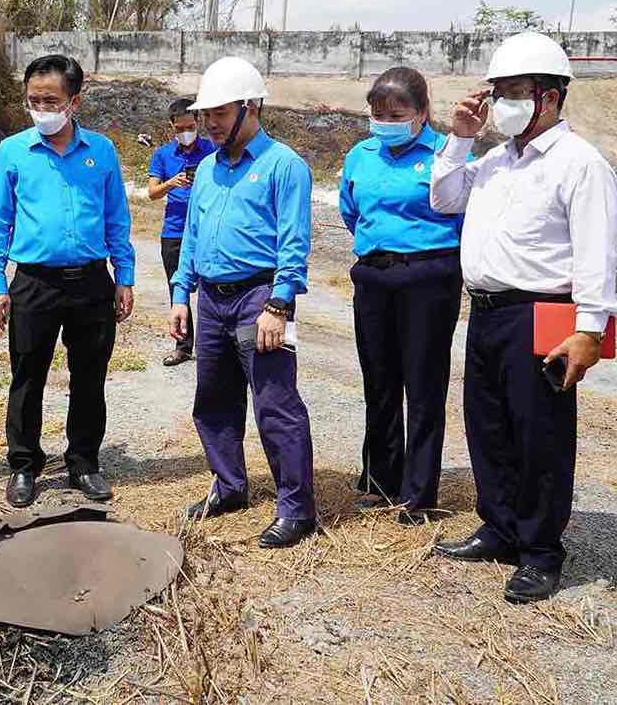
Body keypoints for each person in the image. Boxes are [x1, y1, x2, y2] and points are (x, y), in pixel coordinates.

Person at [429, 31, 617, 603]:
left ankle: (540, 550)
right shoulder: (494, 161)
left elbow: (596, 253)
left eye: (514, 92)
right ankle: (500, 526)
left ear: (550, 97)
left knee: (539, 434)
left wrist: (589, 331)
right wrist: (459, 140)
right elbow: (443, 199)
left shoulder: (580, 164)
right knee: (488, 426)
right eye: (498, 92)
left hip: (544, 313)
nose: (502, 103)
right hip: (487, 311)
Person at [169, 56, 316, 549]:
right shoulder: (206, 168)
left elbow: (294, 242)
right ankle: (229, 486)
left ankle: (296, 509)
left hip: (260, 297)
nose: (209, 123)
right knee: (212, 400)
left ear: (251, 107)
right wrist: (179, 294)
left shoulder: (284, 166)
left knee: (275, 403)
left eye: (220, 113)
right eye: (205, 113)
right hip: (211, 299)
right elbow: (191, 235)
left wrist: (279, 305)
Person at [0, 54, 136, 508]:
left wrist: (123, 276)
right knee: (27, 376)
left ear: (74, 101)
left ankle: (84, 462)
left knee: (90, 376)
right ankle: (24, 466)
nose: (41, 108)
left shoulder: (102, 152)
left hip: (91, 282)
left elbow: (116, 219)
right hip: (34, 283)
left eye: (51, 100)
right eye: (33, 100)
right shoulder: (12, 152)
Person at [340, 67, 465, 527]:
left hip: (428, 278)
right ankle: (380, 478)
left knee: (424, 385)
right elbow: (351, 212)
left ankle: (418, 491)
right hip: (374, 276)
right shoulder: (361, 154)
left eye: (397, 113)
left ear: (423, 112)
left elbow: (462, 215)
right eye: (378, 113)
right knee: (379, 380)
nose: (386, 121)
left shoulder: (444, 155)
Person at [147, 97, 217, 366]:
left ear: (198, 123)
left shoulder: (212, 150)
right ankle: (183, 346)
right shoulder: (162, 155)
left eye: (190, 126)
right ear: (172, 126)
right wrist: (172, 183)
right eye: (179, 128)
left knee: (213, 288)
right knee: (178, 288)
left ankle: (215, 347)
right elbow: (152, 192)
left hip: (207, 230)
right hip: (174, 232)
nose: (185, 132)